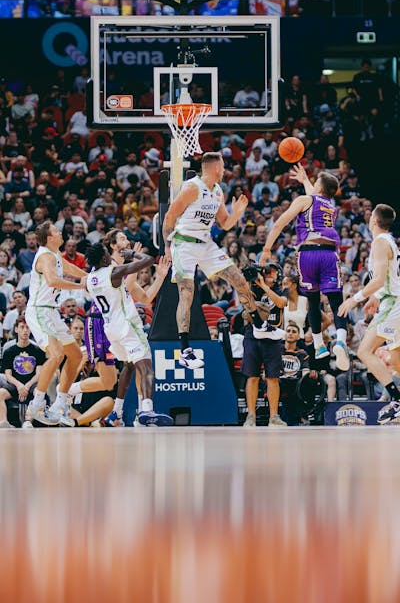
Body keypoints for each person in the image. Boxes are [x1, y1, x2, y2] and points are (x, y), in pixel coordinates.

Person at [162, 152, 270, 370]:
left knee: (239, 280)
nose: (224, 171)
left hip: (206, 243)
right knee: (187, 293)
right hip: (184, 243)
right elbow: (169, 217)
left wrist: (237, 212)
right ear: (213, 169)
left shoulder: (218, 191)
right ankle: (185, 350)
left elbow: (225, 224)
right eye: (221, 168)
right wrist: (167, 246)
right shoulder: (192, 188)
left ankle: (259, 324)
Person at [260, 163, 350, 372]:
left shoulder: (303, 200)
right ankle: (340, 342)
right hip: (329, 254)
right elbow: (316, 195)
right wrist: (305, 180)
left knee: (312, 299)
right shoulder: (331, 206)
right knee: (337, 301)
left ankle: (318, 345)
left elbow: (279, 223)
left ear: (319, 187)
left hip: (307, 254)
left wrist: (267, 248)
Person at [76, 229, 170, 427]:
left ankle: (116, 412)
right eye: (122, 238)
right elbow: (146, 260)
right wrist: (133, 255)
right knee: (145, 364)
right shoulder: (113, 270)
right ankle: (146, 410)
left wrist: (159, 277)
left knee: (128, 365)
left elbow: (143, 296)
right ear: (108, 250)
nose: (126, 241)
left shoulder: (93, 277)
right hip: (124, 323)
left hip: (110, 326)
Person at [338, 203, 400, 423]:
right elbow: (390, 278)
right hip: (390, 300)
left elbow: (380, 279)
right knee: (397, 362)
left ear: (374, 220)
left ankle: (397, 400)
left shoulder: (380, 242)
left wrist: (354, 299)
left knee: (365, 351)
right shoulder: (389, 240)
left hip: (393, 304)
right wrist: (375, 297)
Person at [24, 220, 87, 425]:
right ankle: (37, 403)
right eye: (57, 231)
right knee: (57, 354)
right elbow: (52, 281)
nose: (61, 233)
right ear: (50, 238)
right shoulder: (44, 256)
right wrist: (81, 287)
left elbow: (70, 268)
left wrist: (93, 278)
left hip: (52, 312)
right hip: (39, 311)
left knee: (76, 355)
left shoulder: (55, 255)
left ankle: (60, 403)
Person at [241, 264, 288, 428]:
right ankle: (251, 415)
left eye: (272, 273)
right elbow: (244, 302)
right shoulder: (251, 287)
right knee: (252, 376)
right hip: (252, 336)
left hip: (273, 336)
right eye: (266, 272)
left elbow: (281, 303)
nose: (269, 275)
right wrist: (252, 281)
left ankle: (274, 416)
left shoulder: (282, 289)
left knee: (272, 377)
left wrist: (264, 286)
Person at [0, 314, 46, 428]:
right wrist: (19, 385)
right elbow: (8, 375)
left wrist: (27, 386)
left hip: (31, 384)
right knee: (0, 393)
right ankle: (3, 422)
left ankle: (28, 421)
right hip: (15, 384)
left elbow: (39, 373)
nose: (25, 330)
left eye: (28, 327)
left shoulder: (38, 350)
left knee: (39, 393)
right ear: (16, 329)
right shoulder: (9, 351)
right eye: (22, 327)